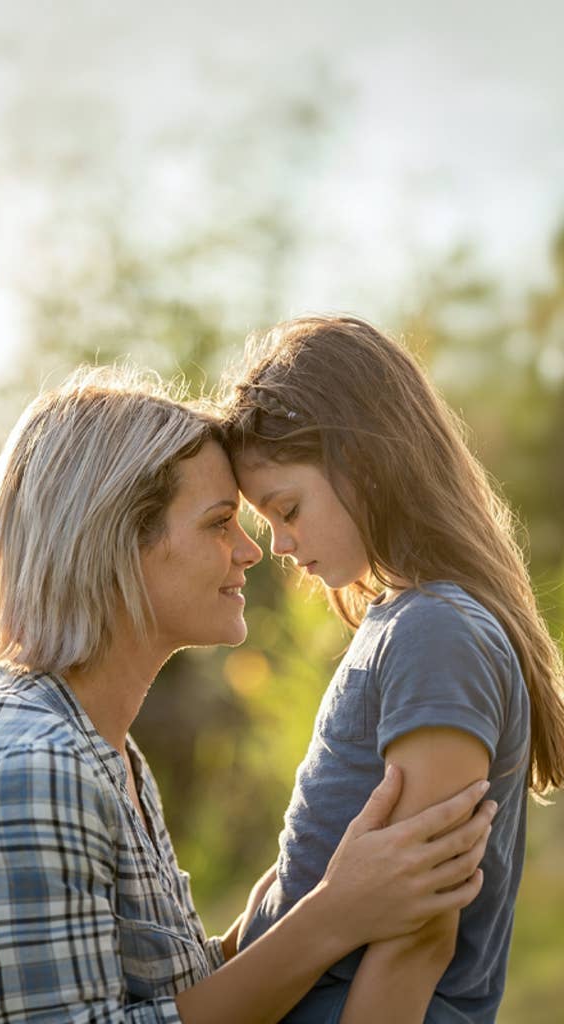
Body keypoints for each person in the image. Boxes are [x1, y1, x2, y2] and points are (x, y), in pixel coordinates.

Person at [0, 366, 495, 1024]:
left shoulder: (100, 751)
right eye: (219, 523)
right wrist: (330, 918)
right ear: (115, 545)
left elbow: (160, 997)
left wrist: (295, 904)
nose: (252, 550)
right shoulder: (28, 771)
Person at [221, 314, 564, 1024]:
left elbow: (417, 939)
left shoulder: (436, 633)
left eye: (288, 509)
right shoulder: (400, 623)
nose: (280, 545)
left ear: (365, 461)